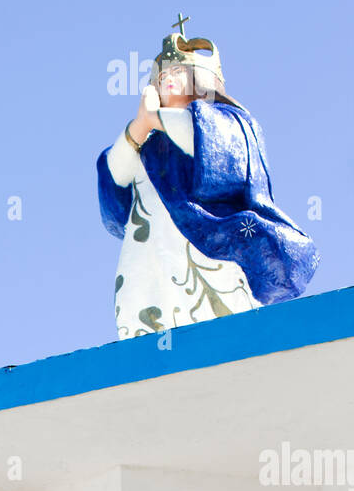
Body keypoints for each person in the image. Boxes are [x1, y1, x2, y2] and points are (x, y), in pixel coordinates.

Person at [97, 21, 319, 339]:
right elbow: (115, 173)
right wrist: (139, 127)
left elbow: (209, 144)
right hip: (149, 247)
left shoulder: (228, 121)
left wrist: (157, 118)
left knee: (214, 314)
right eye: (162, 78)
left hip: (203, 236)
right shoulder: (143, 145)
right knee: (145, 302)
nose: (168, 82)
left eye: (176, 75)